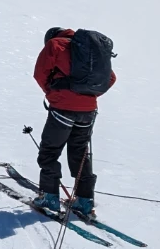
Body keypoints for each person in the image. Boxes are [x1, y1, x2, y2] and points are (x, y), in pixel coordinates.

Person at [31, 28, 117, 216]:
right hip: (88, 110)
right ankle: (85, 200)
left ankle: (49, 197)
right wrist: (89, 95)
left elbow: (40, 73)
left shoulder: (55, 44)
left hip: (62, 108)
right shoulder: (93, 49)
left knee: (50, 151)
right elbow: (110, 78)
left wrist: (54, 92)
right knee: (80, 153)